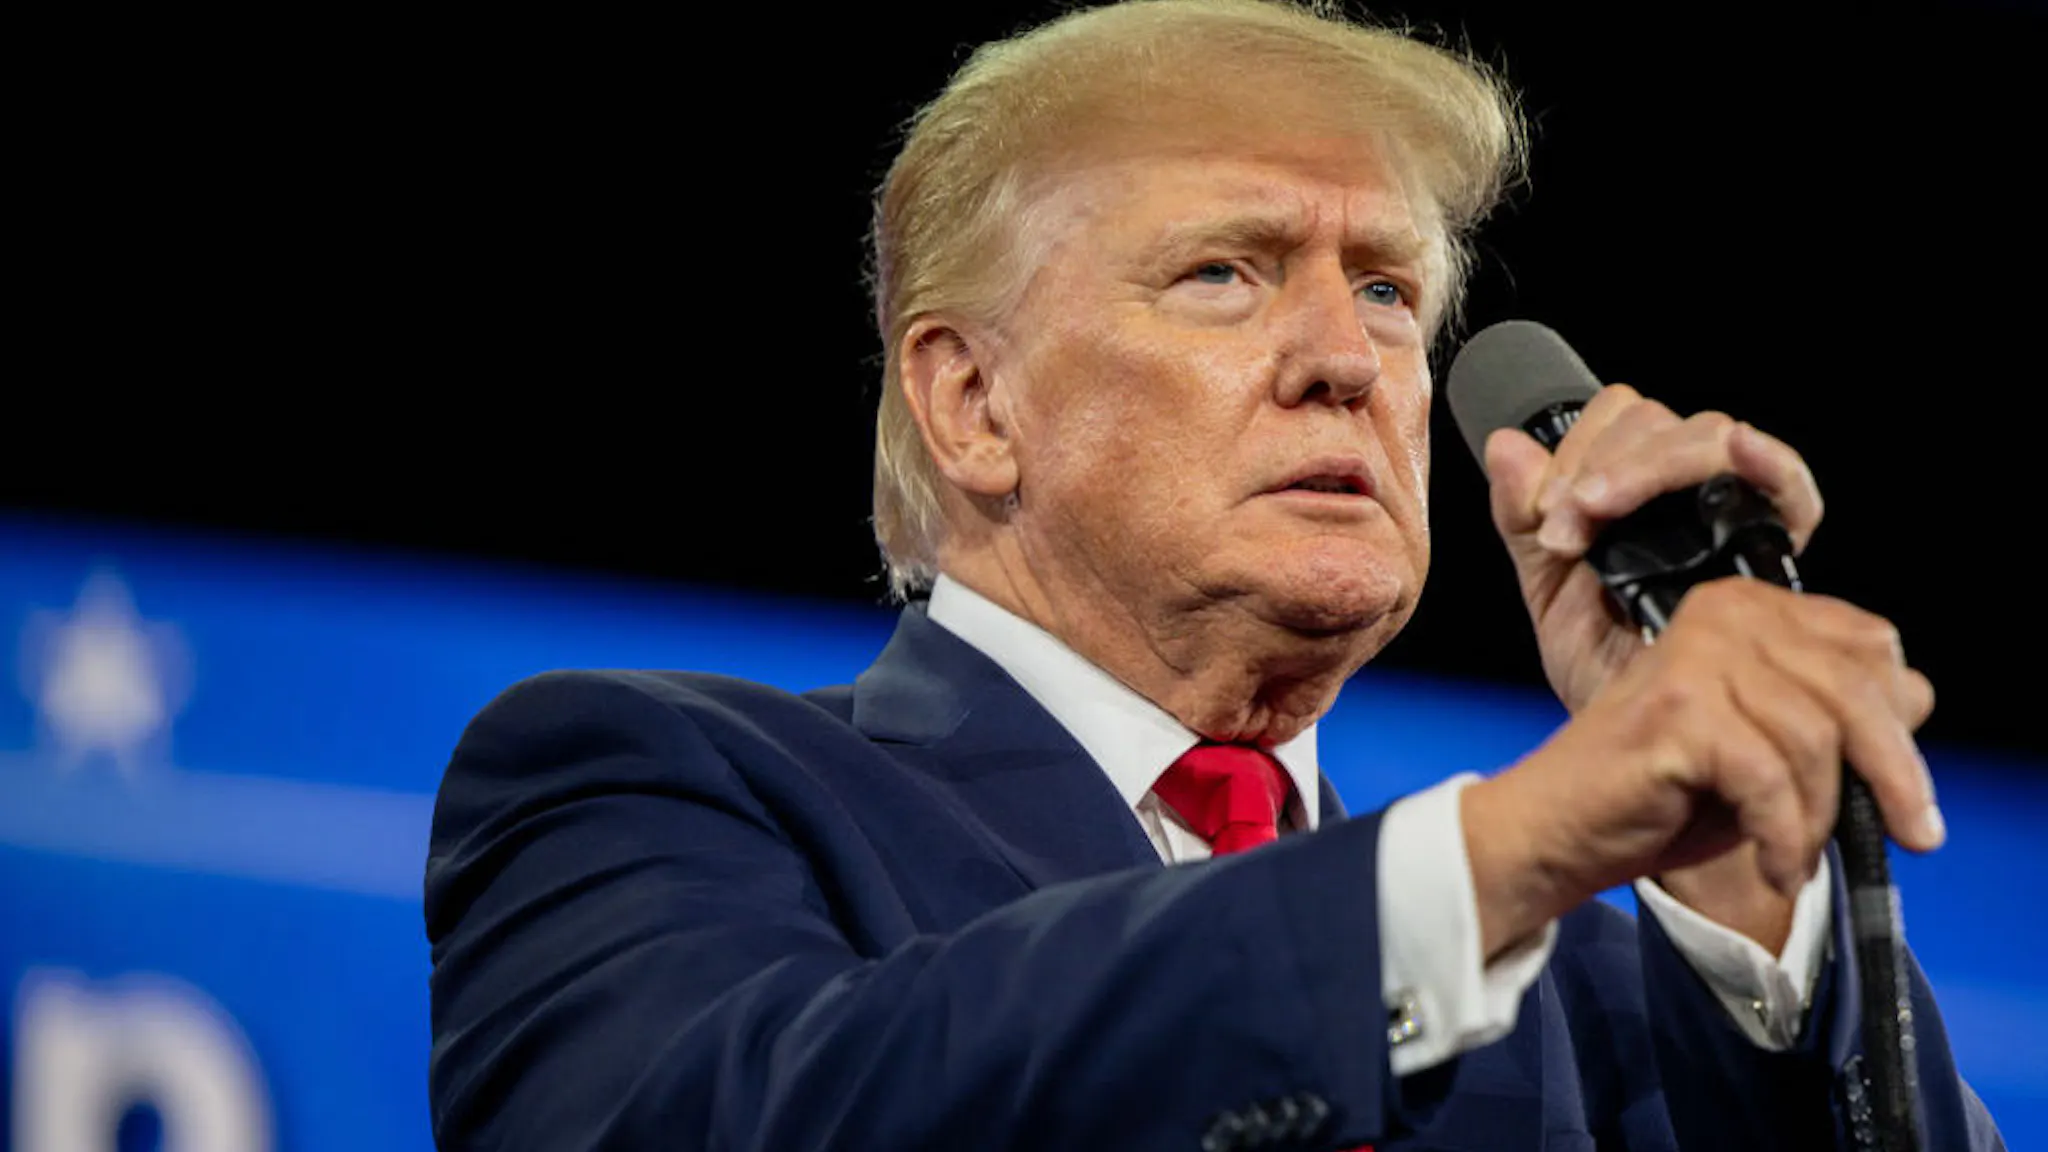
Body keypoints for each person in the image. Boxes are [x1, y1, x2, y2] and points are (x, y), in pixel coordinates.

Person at [424, 1, 2004, 1148]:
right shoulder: (653, 784)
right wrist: (1494, 854)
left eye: (1388, 291)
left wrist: (1738, 879)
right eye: (1226, 274)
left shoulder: (1600, 964)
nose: (1348, 362)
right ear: (973, 403)